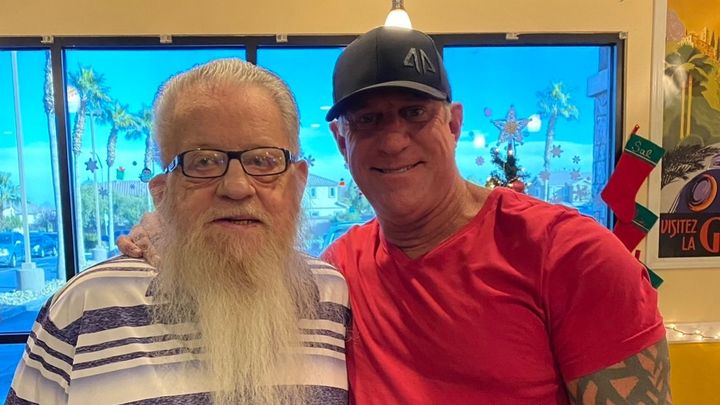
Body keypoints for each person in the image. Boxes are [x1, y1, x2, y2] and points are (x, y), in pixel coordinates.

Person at [119, 27, 671, 404]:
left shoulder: (571, 256)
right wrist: (171, 226)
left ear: (453, 124)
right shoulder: (338, 273)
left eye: (414, 113)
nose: (392, 140)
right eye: (368, 120)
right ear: (342, 141)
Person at [7, 59, 350, 405]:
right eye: (203, 162)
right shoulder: (86, 304)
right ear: (161, 193)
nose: (236, 187)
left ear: (298, 183)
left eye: (262, 161)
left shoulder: (330, 295)